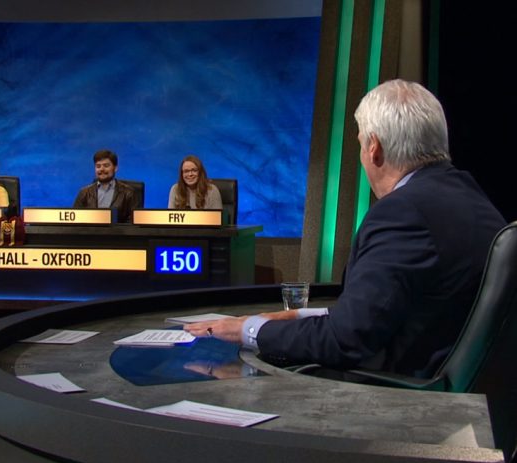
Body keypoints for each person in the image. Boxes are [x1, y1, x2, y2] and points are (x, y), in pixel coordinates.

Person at [185, 79, 506, 378]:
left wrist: (247, 330)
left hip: (400, 393)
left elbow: (346, 341)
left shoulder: (403, 213)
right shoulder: (470, 196)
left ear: (374, 148)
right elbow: (381, 312)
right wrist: (297, 316)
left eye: (360, 145)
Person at [73, 149, 139, 223]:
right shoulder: (84, 193)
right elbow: (76, 220)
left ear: (115, 168)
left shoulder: (129, 193)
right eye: (98, 166)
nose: (102, 169)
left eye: (106, 165)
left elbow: (133, 223)